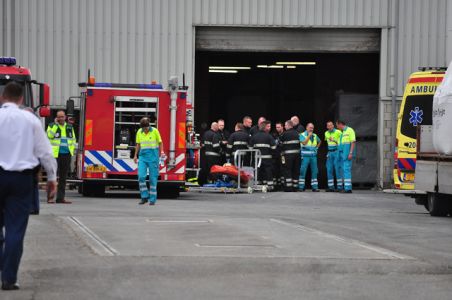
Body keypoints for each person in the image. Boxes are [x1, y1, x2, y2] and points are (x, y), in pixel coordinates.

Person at [0, 82, 57, 290]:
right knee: (15, 229)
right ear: (22, 99)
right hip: (21, 181)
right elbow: (45, 153)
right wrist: (52, 178)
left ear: (2, 97)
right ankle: (8, 279)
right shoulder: (31, 120)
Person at [46, 110, 76, 204]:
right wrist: (55, 125)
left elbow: (73, 139)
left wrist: (72, 150)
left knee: (63, 177)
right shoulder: (52, 126)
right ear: (56, 117)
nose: (60, 118)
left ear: (65, 117)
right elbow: (49, 136)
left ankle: (60, 198)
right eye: (59, 117)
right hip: (55, 155)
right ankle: (50, 198)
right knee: (52, 177)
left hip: (66, 154)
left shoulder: (69, 127)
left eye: (62, 117)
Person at [133, 117, 164, 205]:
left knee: (152, 179)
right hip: (142, 157)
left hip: (153, 158)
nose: (145, 129)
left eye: (146, 128)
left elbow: (160, 142)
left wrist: (162, 152)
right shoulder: (139, 131)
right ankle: (144, 197)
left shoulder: (155, 131)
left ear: (149, 125)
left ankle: (152, 199)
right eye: (143, 128)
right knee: (141, 177)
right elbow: (138, 144)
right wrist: (135, 155)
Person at [250, 121, 276, 190]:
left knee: (258, 172)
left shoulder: (254, 136)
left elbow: (250, 148)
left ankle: (257, 186)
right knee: (268, 172)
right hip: (267, 159)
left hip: (257, 159)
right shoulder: (269, 136)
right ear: (265, 128)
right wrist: (272, 155)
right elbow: (274, 148)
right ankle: (270, 186)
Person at [299, 123, 321, 192]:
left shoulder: (315, 135)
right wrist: (308, 136)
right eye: (310, 127)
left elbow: (320, 141)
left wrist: (316, 148)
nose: (311, 129)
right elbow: (304, 143)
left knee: (315, 171)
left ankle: (315, 187)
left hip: (313, 157)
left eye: (312, 128)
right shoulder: (302, 135)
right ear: (306, 128)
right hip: (305, 157)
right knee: (302, 171)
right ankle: (301, 187)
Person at [280, 120, 301, 192]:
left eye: (285, 125)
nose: (285, 127)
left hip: (288, 156)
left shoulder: (284, 134)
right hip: (297, 155)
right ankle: (295, 187)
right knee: (296, 170)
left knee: (287, 170)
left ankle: (289, 187)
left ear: (289, 125)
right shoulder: (298, 133)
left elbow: (280, 145)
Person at [336, 120, 356, 193]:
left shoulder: (349, 130)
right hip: (343, 155)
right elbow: (341, 145)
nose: (337, 127)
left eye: (337, 125)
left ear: (340, 124)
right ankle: (346, 187)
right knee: (344, 170)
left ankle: (348, 188)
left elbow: (353, 142)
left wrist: (350, 153)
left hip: (347, 155)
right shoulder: (343, 132)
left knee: (346, 170)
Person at [324, 121, 342, 192]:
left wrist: (334, 140)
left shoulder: (338, 132)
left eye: (331, 125)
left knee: (337, 169)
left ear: (333, 126)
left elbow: (341, 142)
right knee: (329, 169)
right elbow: (327, 142)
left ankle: (340, 187)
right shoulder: (326, 133)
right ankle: (331, 187)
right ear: (327, 127)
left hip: (336, 151)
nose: (330, 127)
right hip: (329, 152)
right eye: (328, 126)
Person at [272, 122, 285, 190]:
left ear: (282, 127)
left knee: (282, 170)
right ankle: (276, 185)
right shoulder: (274, 135)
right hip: (276, 155)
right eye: (276, 127)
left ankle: (283, 185)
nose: (277, 129)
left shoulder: (285, 135)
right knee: (275, 170)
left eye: (279, 127)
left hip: (283, 155)